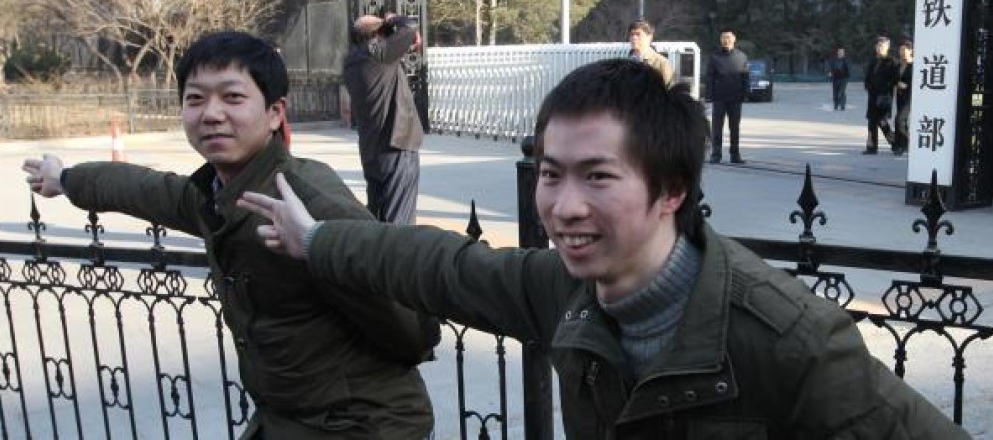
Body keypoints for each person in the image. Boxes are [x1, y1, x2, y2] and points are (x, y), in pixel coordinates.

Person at [240, 58, 964, 439]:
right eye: (551, 175)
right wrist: (318, 241)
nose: (562, 205)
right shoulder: (564, 291)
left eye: (599, 177)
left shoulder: (791, 341)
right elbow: (436, 267)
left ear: (672, 189)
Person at [22, 30, 437, 440]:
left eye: (233, 97)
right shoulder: (220, 192)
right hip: (287, 417)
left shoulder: (305, 201)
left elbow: (406, 327)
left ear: (275, 112)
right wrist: (67, 179)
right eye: (195, 99)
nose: (211, 113)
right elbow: (146, 189)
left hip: (362, 424)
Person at [344, 13, 423, 225]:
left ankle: (375, 257)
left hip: (372, 152)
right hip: (395, 147)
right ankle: (396, 258)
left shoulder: (352, 62)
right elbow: (410, 26)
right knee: (399, 224)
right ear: (377, 34)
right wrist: (392, 19)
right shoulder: (377, 54)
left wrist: (399, 41)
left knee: (377, 218)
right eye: (386, 32)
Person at [705, 28, 749, 164]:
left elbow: (745, 77)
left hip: (735, 98)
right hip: (719, 98)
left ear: (734, 39)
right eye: (724, 37)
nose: (726, 40)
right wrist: (709, 95)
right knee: (717, 128)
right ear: (721, 40)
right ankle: (716, 154)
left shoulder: (742, 56)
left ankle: (735, 154)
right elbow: (709, 77)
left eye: (729, 37)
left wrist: (745, 93)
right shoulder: (714, 57)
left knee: (734, 127)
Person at [863, 35, 899, 155]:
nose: (880, 48)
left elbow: (894, 79)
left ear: (887, 47)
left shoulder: (892, 61)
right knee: (872, 121)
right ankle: (871, 147)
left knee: (882, 121)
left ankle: (894, 143)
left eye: (882, 46)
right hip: (872, 96)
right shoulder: (873, 61)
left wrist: (885, 89)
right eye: (878, 46)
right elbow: (868, 76)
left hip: (884, 96)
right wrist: (867, 85)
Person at [627, 19, 674, 85]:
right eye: (632, 34)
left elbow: (669, 90)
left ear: (649, 37)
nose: (634, 38)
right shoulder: (626, 64)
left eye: (638, 34)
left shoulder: (661, 64)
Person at [893, 39, 914, 156]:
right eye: (900, 50)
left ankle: (902, 144)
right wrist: (897, 83)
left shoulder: (914, 66)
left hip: (909, 97)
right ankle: (903, 145)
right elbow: (893, 78)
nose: (901, 52)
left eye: (904, 50)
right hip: (900, 95)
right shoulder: (899, 65)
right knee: (903, 121)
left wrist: (907, 85)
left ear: (911, 51)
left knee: (899, 119)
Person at [827, 46, 850, 111]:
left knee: (841, 92)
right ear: (837, 52)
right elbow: (830, 67)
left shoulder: (846, 60)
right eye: (839, 52)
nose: (840, 53)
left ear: (844, 53)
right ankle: (836, 105)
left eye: (842, 52)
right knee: (835, 93)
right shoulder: (834, 60)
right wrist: (830, 72)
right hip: (835, 78)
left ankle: (842, 106)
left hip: (843, 79)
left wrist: (845, 75)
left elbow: (848, 68)